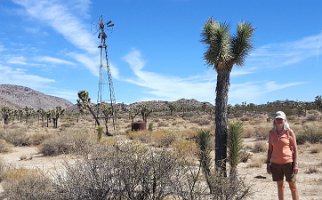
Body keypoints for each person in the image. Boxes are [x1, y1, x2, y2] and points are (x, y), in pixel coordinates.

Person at [266, 111, 299, 200]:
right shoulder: (271, 133)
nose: (279, 121)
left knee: (293, 187)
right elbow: (270, 150)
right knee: (280, 186)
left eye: (281, 119)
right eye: (277, 119)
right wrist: (268, 163)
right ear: (274, 121)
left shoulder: (289, 132)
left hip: (288, 163)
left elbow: (295, 149)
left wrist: (295, 164)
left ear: (285, 120)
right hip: (275, 164)